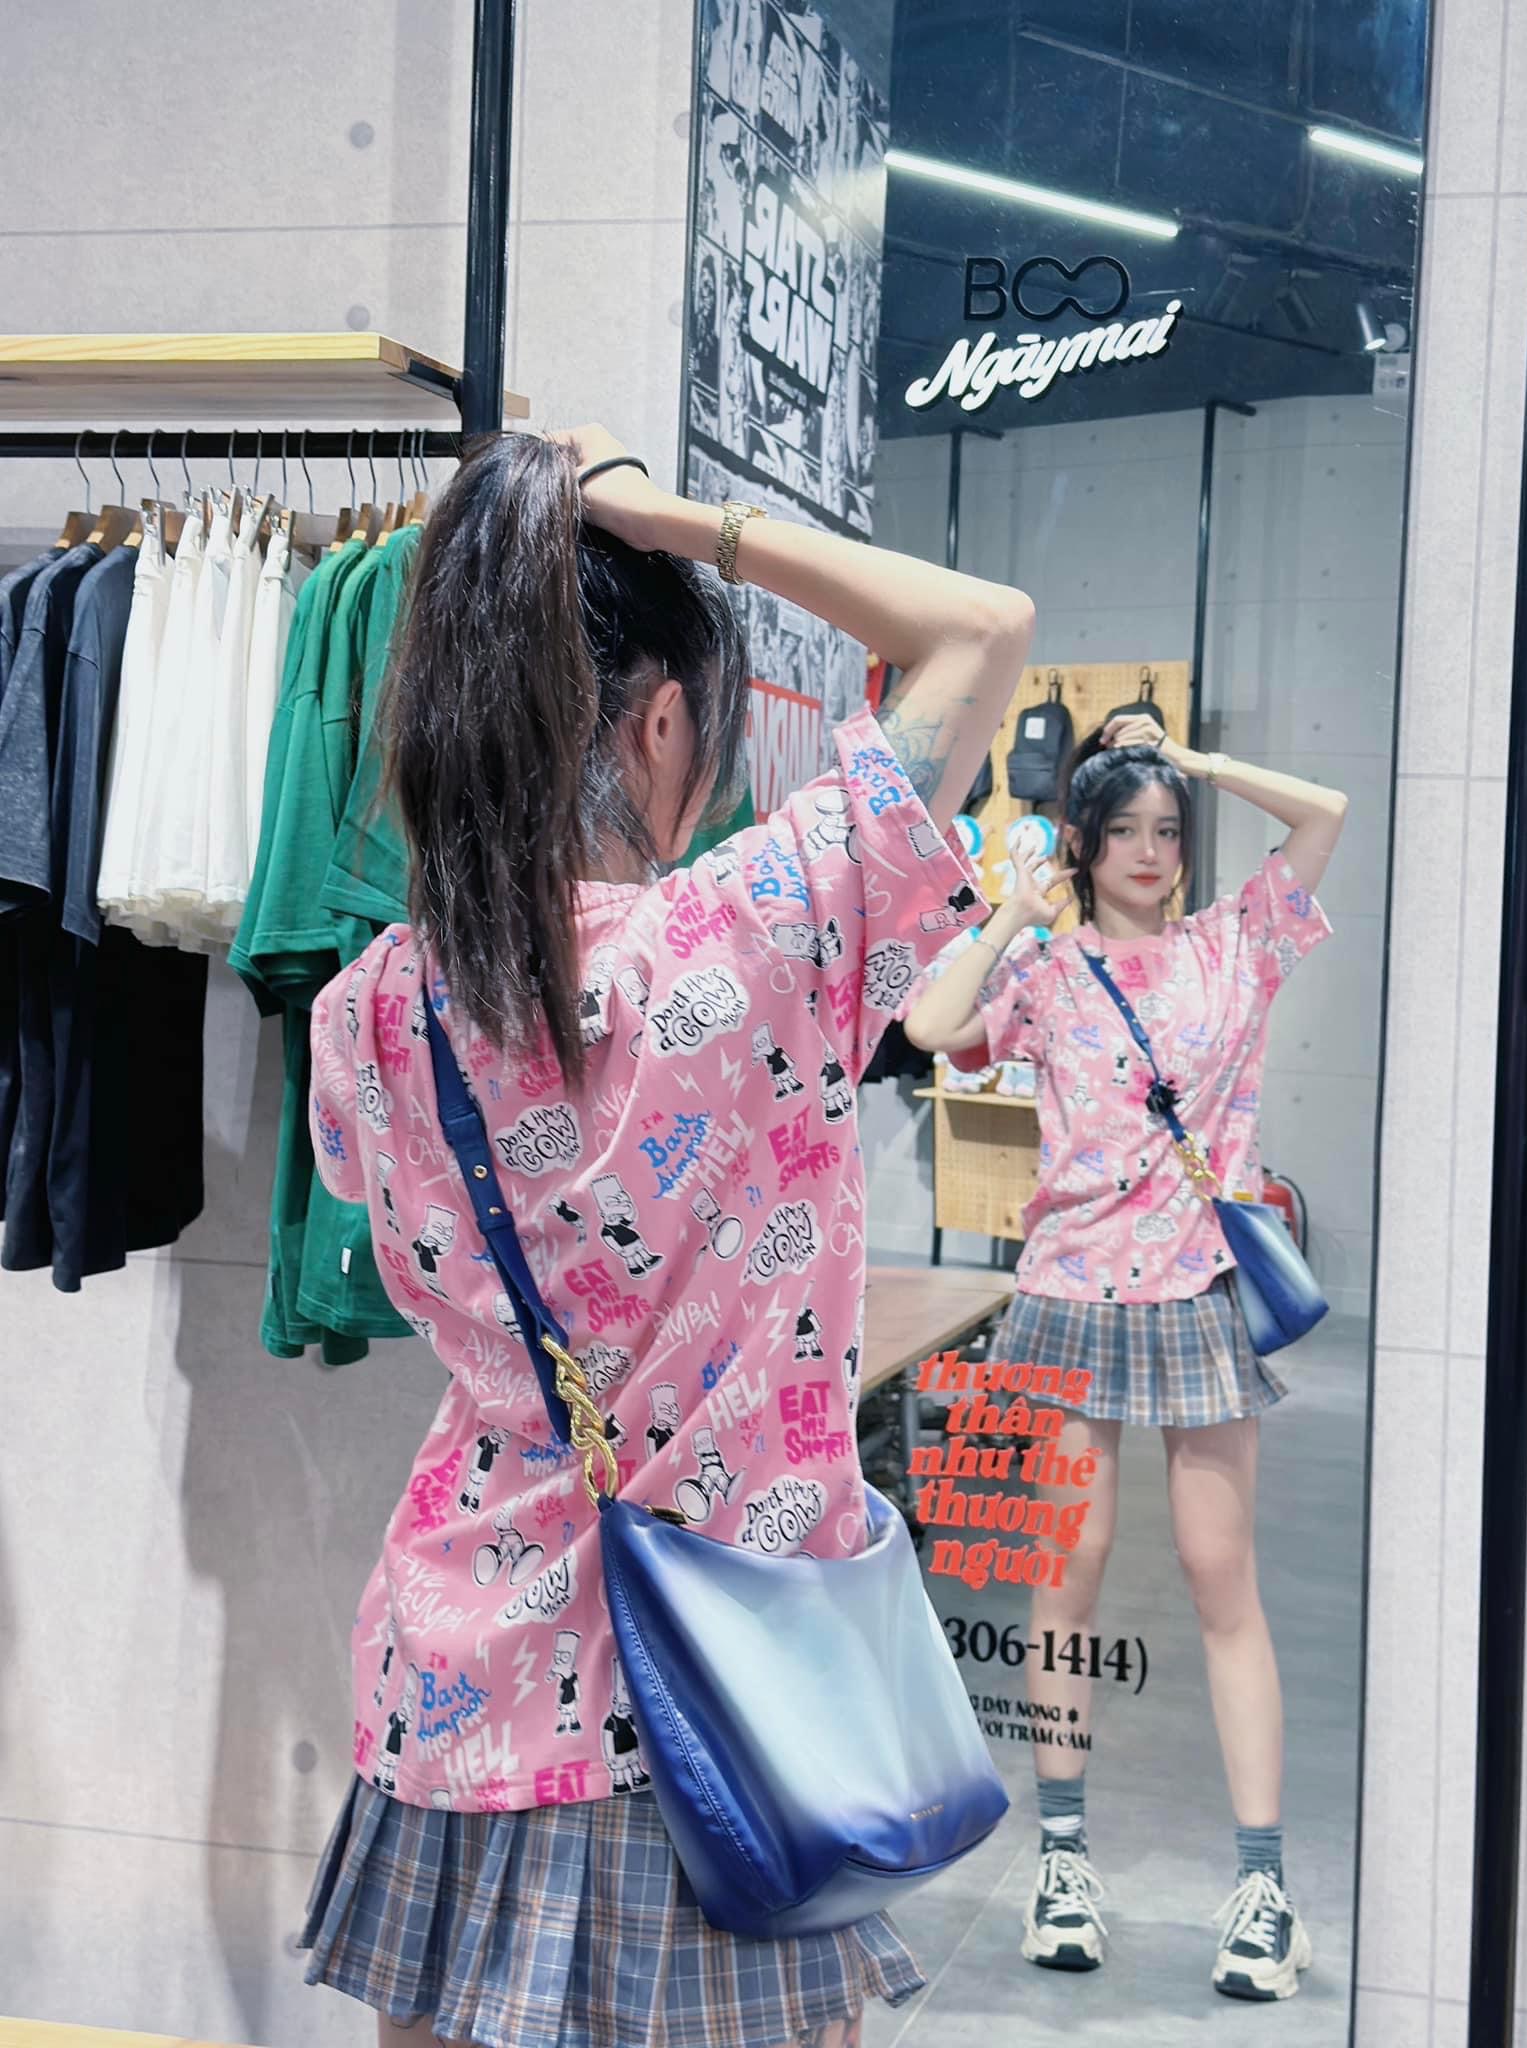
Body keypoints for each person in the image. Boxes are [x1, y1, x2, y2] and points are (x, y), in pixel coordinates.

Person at [297, 425, 1033, 2048]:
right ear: (660, 723)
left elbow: (383, 1220)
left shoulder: (369, 1010)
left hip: (464, 1683)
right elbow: (981, 627)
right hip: (730, 1702)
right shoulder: (763, 930)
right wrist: (670, 519)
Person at [905, 713, 1347, 2004]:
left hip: (1197, 1293)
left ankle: (1261, 1889)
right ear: (1086, 844)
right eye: (1127, 831)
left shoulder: (1235, 947)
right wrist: (1013, 911)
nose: (1152, 851)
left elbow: (1322, 813)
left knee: (1221, 1580)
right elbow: (930, 1024)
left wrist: (1196, 762)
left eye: (1170, 831)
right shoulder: (1048, 972)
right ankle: (1060, 1864)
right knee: (1066, 1581)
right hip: (1064, 1294)